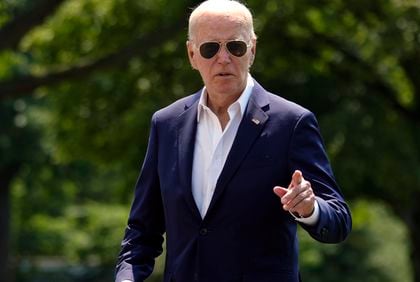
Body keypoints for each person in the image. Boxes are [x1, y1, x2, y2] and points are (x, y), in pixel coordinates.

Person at [115, 1, 351, 281]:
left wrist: (310, 209)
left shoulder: (292, 122)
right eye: (210, 48)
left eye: (235, 47)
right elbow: (142, 230)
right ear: (192, 54)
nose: (223, 58)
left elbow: (338, 220)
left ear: (252, 49)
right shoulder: (167, 124)